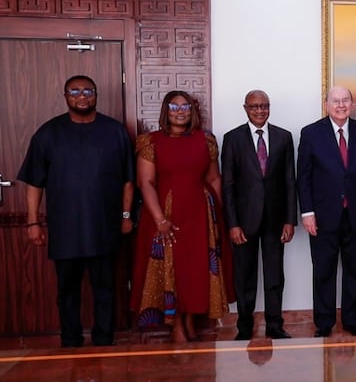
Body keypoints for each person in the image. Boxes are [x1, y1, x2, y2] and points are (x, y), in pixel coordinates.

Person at [17, 75, 134, 347]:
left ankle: (104, 340)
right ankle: (70, 341)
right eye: (75, 91)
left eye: (88, 91)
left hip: (104, 227)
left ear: (96, 95)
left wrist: (126, 215)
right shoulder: (48, 133)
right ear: (65, 95)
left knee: (105, 289)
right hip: (65, 228)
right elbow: (34, 182)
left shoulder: (114, 131)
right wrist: (32, 222)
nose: (82, 96)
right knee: (67, 290)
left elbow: (128, 180)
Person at [130, 90, 231, 343]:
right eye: (174, 107)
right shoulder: (150, 141)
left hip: (200, 214)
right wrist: (160, 220)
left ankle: (189, 320)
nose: (180, 111)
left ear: (192, 110)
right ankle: (175, 325)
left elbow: (213, 178)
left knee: (194, 270)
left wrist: (221, 216)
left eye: (185, 106)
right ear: (166, 111)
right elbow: (146, 183)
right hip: (165, 214)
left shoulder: (205, 139)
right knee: (171, 267)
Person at [297, 86, 356, 337]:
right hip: (322, 217)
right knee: (324, 271)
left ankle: (352, 322)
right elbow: (304, 176)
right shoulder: (311, 133)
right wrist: (307, 212)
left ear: (352, 104)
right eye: (336, 101)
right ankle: (324, 324)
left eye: (345, 101)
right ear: (327, 104)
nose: (341, 105)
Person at [222, 90, 297, 340]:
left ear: (269, 108)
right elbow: (228, 186)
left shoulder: (283, 137)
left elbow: (289, 182)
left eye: (264, 106)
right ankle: (244, 327)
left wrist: (290, 219)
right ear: (245, 108)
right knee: (245, 277)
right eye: (254, 106)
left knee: (274, 276)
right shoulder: (232, 139)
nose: (260, 111)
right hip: (244, 221)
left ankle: (275, 325)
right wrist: (232, 224)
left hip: (276, 221)